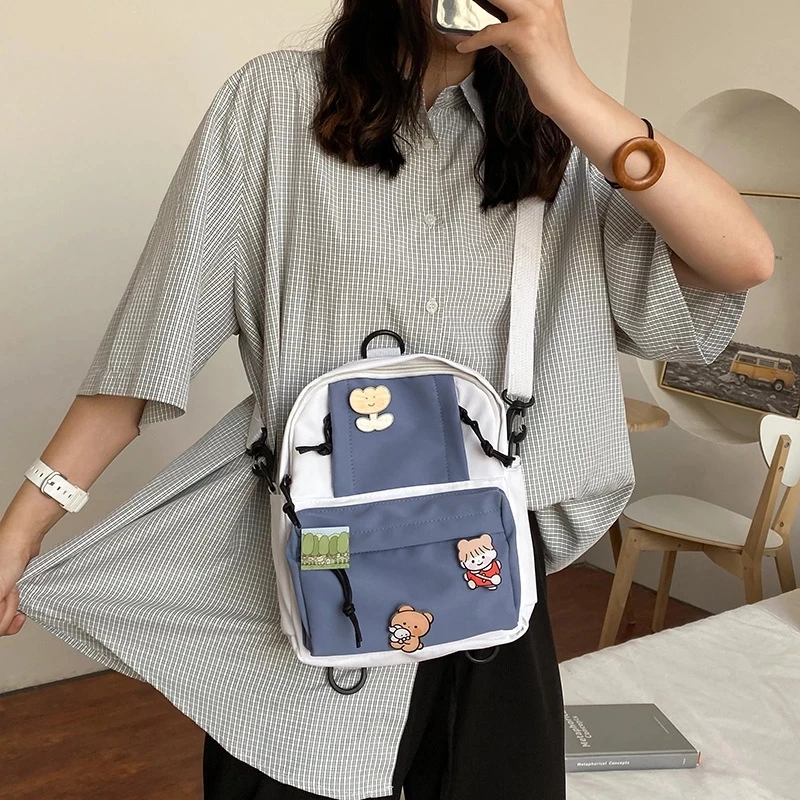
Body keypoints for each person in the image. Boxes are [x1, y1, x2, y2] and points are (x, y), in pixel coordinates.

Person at [0, 0, 773, 798]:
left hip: (486, 576)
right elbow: (146, 347)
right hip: (310, 573)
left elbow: (742, 259)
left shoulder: (562, 136)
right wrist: (21, 531)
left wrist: (569, 89)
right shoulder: (273, 105)